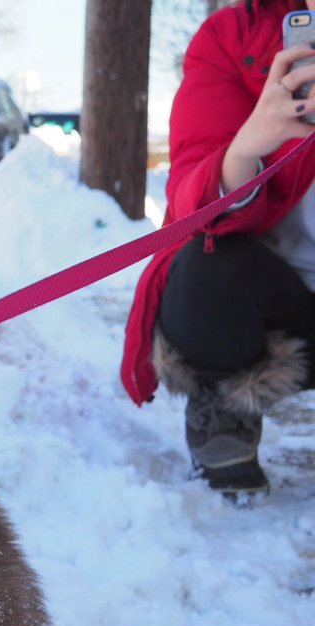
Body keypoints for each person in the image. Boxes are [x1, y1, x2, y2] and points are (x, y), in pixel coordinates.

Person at [122, 0, 315, 499]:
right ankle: (224, 406)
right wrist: (248, 147)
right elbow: (189, 196)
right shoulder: (232, 38)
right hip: (277, 301)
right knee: (204, 270)